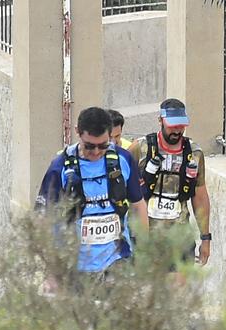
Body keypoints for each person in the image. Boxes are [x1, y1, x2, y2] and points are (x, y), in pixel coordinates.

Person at [35, 105, 147, 278]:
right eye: (89, 146)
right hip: (73, 267)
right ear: (77, 132)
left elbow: (138, 205)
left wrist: (145, 250)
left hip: (117, 262)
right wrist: (50, 271)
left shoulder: (123, 159)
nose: (95, 152)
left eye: (102, 145)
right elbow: (42, 218)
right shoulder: (59, 168)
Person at [140, 98, 212, 269]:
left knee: (178, 291)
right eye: (172, 125)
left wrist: (205, 238)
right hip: (146, 234)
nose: (177, 130)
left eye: (181, 125)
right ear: (160, 121)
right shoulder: (141, 148)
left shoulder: (194, 153)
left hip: (180, 234)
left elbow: (200, 197)